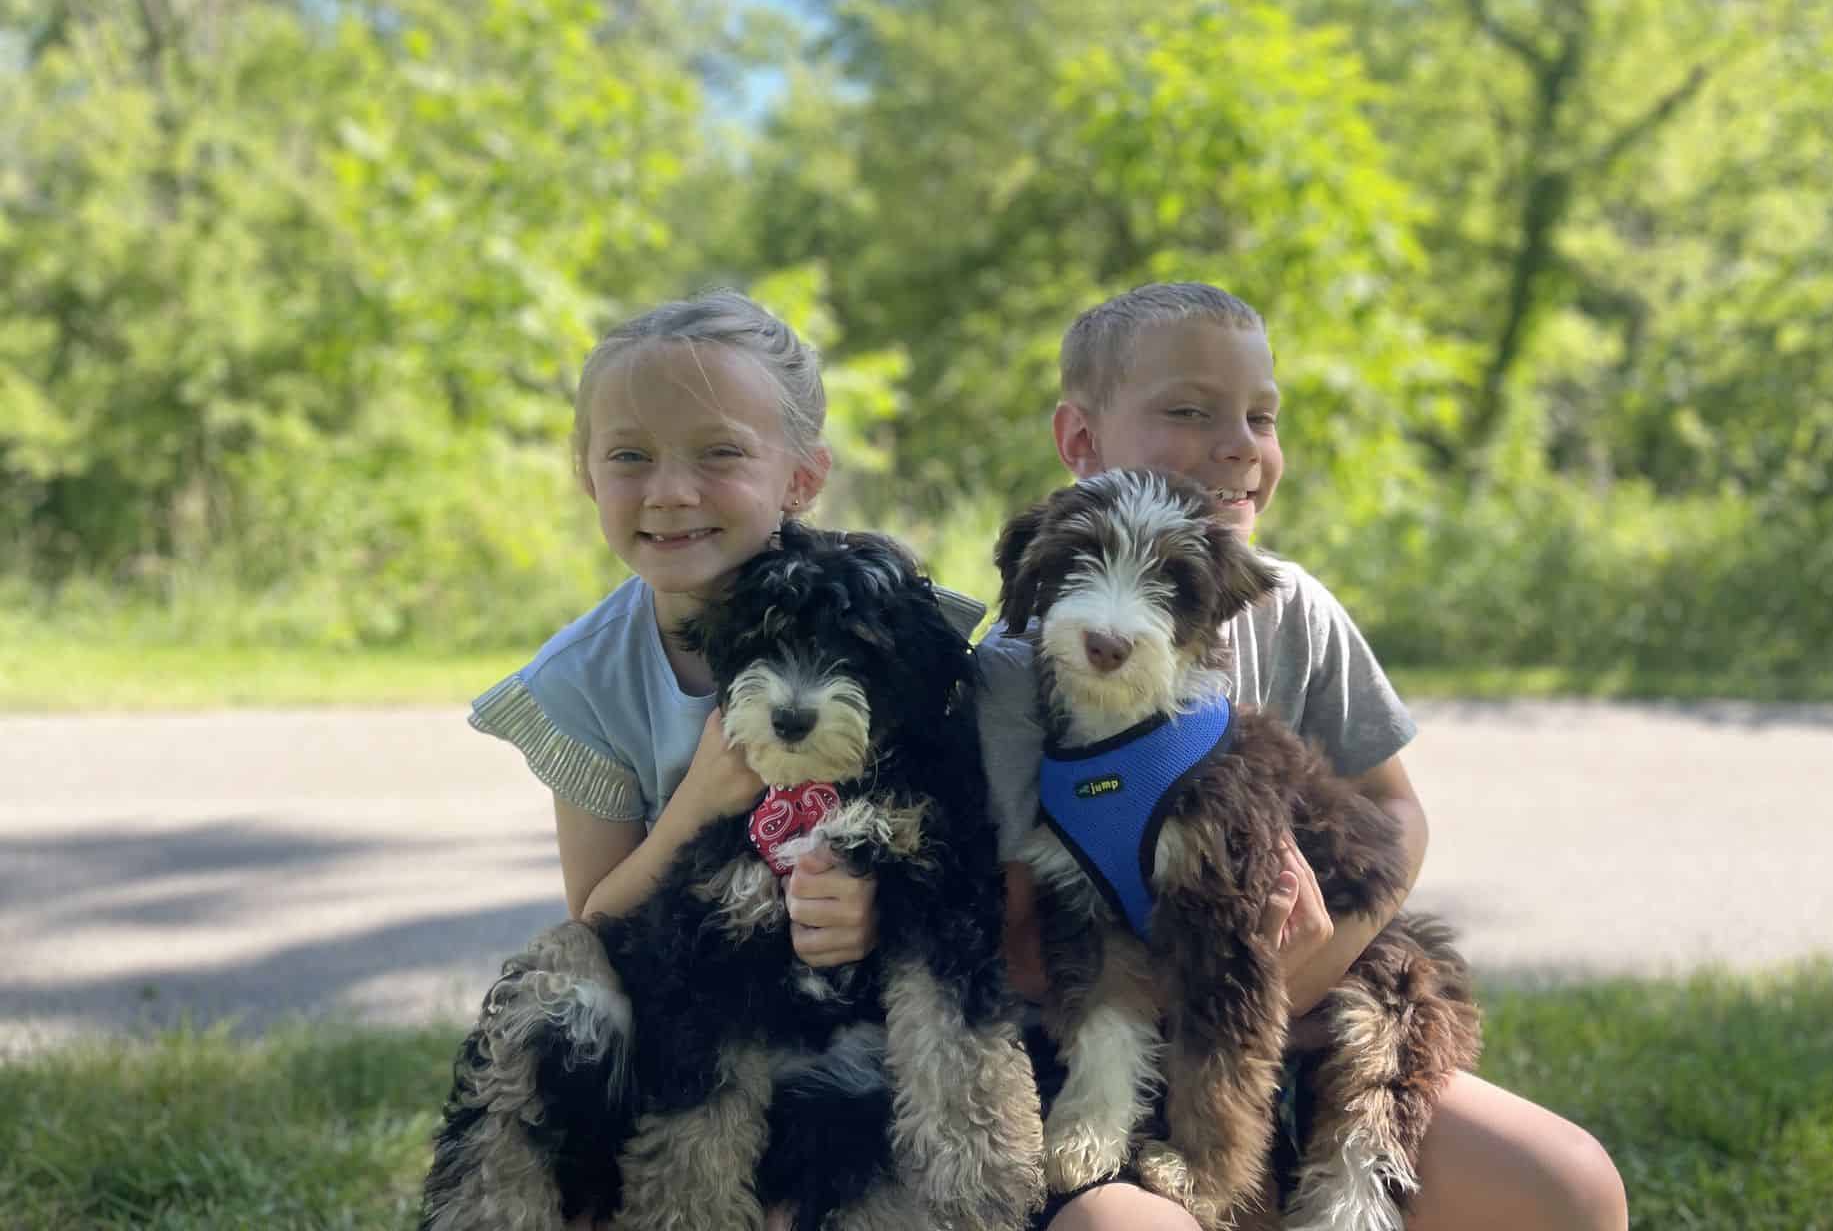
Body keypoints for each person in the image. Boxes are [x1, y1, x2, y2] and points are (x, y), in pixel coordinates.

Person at [976, 283, 1628, 1231]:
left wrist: (1305, 976)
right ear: (1080, 442)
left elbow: (1392, 815)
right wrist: (1178, 1009)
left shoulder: (1291, 606)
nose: (1239, 444)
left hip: (1313, 1019)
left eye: (1261, 416)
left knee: (1570, 1184)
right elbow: (1015, 936)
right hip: (1097, 1052)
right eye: (1190, 411)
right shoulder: (1019, 661)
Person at [468, 289, 984, 1231]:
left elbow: (971, 840)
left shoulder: (896, 622)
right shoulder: (586, 679)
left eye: (719, 453)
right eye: (629, 456)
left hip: (872, 1030)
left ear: (802, 475)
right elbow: (597, 918)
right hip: (693, 1020)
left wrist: (887, 901)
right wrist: (701, 799)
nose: (670, 490)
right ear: (585, 474)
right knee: (556, 1000)